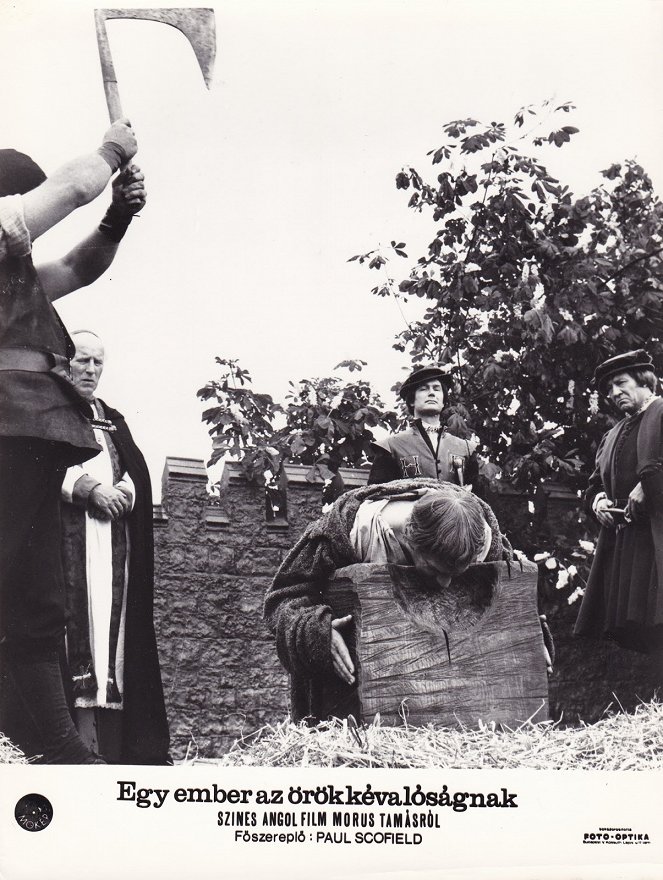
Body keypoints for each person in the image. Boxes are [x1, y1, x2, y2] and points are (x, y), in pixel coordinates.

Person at [0, 122, 144, 763]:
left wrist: (118, 217)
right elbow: (73, 186)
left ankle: (56, 747)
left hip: (29, 446)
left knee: (35, 603)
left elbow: (82, 265)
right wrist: (113, 152)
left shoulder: (17, 277)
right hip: (4, 441)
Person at [264, 478, 511, 721]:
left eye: (455, 575)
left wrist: (533, 635)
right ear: (410, 535)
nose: (445, 583)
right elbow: (281, 598)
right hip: (351, 704)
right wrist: (318, 633)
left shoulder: (482, 539)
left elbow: (513, 593)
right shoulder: (350, 531)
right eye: (435, 570)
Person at [60, 331, 170, 764]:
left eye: (97, 363)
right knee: (72, 634)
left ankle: (115, 749)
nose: (90, 370)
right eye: (82, 360)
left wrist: (125, 490)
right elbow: (30, 471)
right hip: (67, 546)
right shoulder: (47, 411)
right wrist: (88, 489)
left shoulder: (112, 419)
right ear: (64, 362)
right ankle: (73, 744)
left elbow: (136, 471)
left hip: (114, 549)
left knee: (116, 645)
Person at [574, 350, 663, 655]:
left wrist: (650, 487)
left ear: (644, 380)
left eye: (621, 383)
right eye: (609, 389)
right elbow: (594, 484)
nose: (614, 393)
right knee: (640, 635)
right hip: (627, 545)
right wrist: (597, 500)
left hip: (658, 540)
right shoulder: (612, 434)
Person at [368, 365, 478, 486]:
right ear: (411, 400)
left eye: (436, 389)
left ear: (443, 401)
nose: (431, 393)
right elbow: (376, 496)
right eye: (424, 389)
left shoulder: (466, 449)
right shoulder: (390, 447)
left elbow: (478, 500)